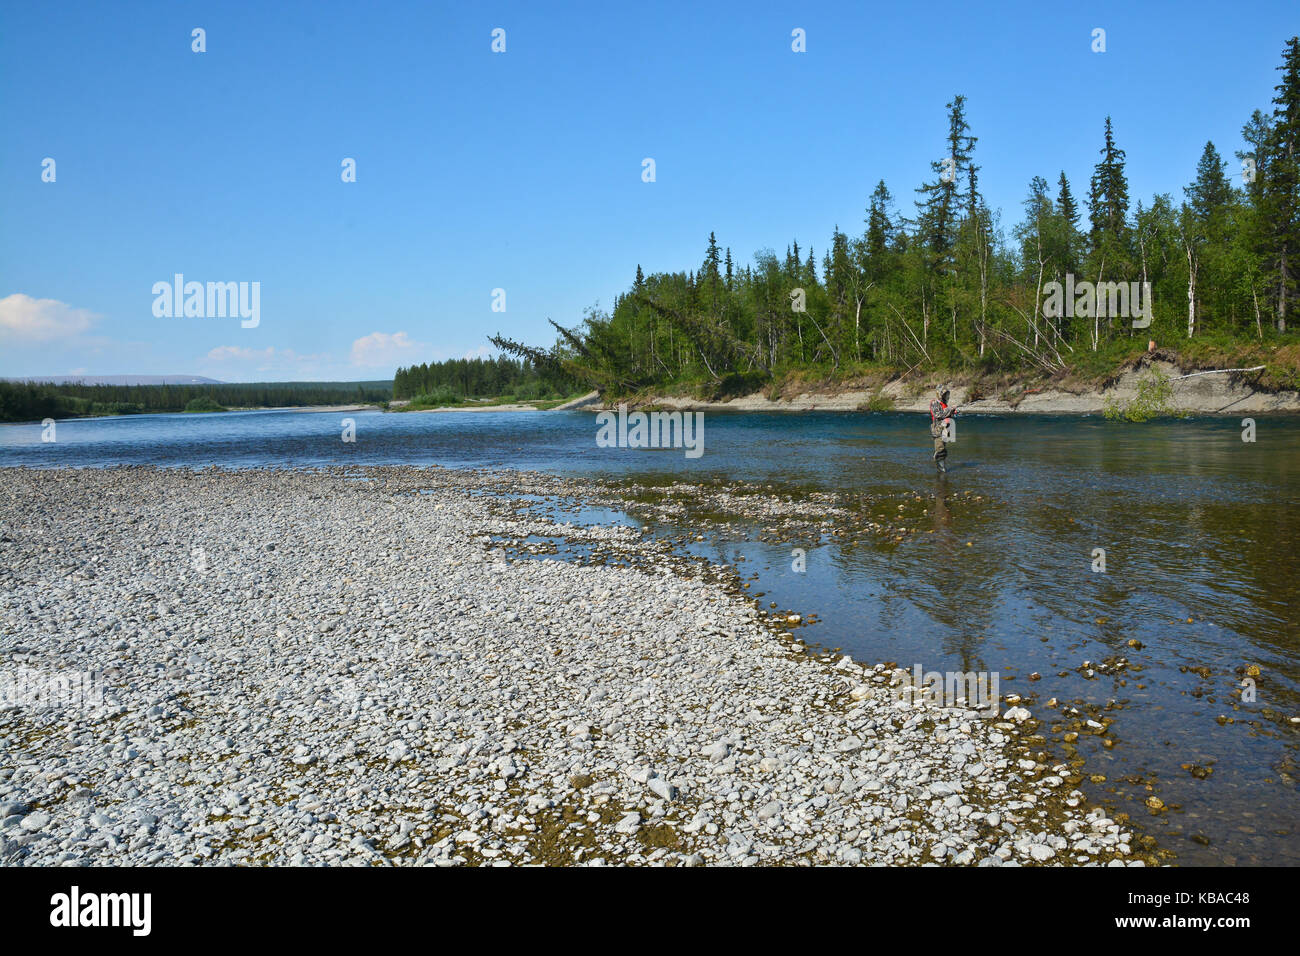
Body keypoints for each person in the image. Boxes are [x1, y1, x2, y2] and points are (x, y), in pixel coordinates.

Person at [929, 385, 958, 472]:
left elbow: (946, 415)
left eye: (947, 394)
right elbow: (938, 415)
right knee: (940, 449)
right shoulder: (934, 403)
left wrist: (952, 412)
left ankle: (942, 468)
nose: (946, 396)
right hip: (938, 429)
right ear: (940, 394)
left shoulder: (944, 404)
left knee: (943, 449)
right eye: (944, 394)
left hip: (946, 429)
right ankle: (941, 470)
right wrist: (950, 409)